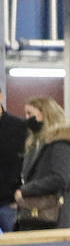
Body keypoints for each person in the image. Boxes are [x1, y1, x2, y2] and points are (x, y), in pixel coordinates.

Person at [15, 96, 70, 230]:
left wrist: (24, 191)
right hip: (35, 213)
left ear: (44, 114)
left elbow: (59, 178)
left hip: (53, 215)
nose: (27, 118)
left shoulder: (61, 143)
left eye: (30, 113)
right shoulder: (35, 143)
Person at [0, 88, 25, 232]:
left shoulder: (18, 126)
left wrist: (20, 194)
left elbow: (27, 163)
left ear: (1, 97)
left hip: (10, 202)